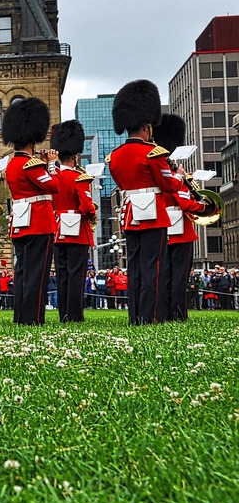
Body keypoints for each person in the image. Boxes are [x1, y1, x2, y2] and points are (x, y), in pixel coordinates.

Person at [108, 79, 179, 325]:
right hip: (154, 215)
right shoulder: (154, 153)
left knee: (135, 267)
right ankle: (151, 316)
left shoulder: (115, 157)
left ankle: (135, 316)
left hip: (130, 214)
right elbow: (169, 185)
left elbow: (120, 182)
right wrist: (178, 177)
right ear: (147, 126)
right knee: (154, 267)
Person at [2, 97, 58, 326]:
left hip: (21, 221)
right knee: (37, 274)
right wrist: (52, 164)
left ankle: (21, 316)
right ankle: (33, 318)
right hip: (39, 222)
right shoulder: (31, 164)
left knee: (23, 272)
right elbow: (54, 186)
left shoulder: (11, 164)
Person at [153, 114, 211, 321]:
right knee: (179, 278)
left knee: (164, 276)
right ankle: (178, 314)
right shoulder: (175, 174)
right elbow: (185, 202)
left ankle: (163, 313)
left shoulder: (158, 169)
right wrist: (202, 207)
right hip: (181, 232)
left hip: (161, 228)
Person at [50, 119, 96, 323]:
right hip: (77, 231)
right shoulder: (79, 178)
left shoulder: (53, 177)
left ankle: (64, 314)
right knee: (76, 275)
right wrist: (92, 214)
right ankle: (75, 315)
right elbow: (86, 206)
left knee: (62, 276)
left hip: (58, 229)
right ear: (75, 154)